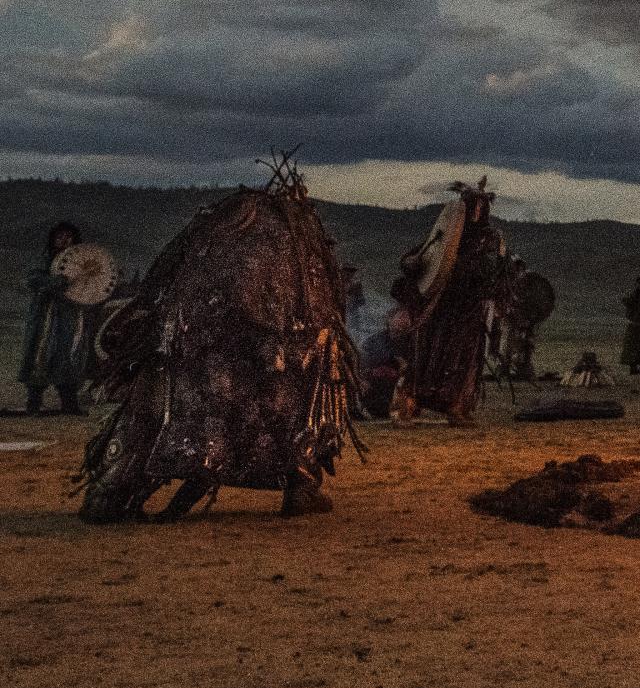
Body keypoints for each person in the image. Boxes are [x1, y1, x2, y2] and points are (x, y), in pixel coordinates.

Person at [79, 168, 357, 521]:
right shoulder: (292, 258)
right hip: (251, 353)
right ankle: (299, 485)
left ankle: (114, 492)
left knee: (176, 415)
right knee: (289, 406)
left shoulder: (223, 249)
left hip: (205, 349)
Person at [393, 181, 508, 423]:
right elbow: (416, 259)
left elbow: (491, 272)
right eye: (471, 206)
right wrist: (412, 263)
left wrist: (463, 270)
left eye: (479, 206)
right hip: (438, 309)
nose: (475, 212)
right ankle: (409, 405)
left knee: (462, 362)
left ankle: (457, 408)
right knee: (423, 357)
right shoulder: (445, 235)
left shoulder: (490, 240)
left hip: (467, 312)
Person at [19, 221, 90, 415]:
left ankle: (69, 404)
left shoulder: (80, 262)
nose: (65, 241)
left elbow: (89, 285)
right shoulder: (45, 259)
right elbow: (32, 279)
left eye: (69, 237)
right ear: (53, 240)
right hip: (47, 317)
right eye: (60, 237)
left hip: (70, 316)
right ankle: (33, 405)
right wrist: (56, 282)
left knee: (69, 356)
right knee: (40, 355)